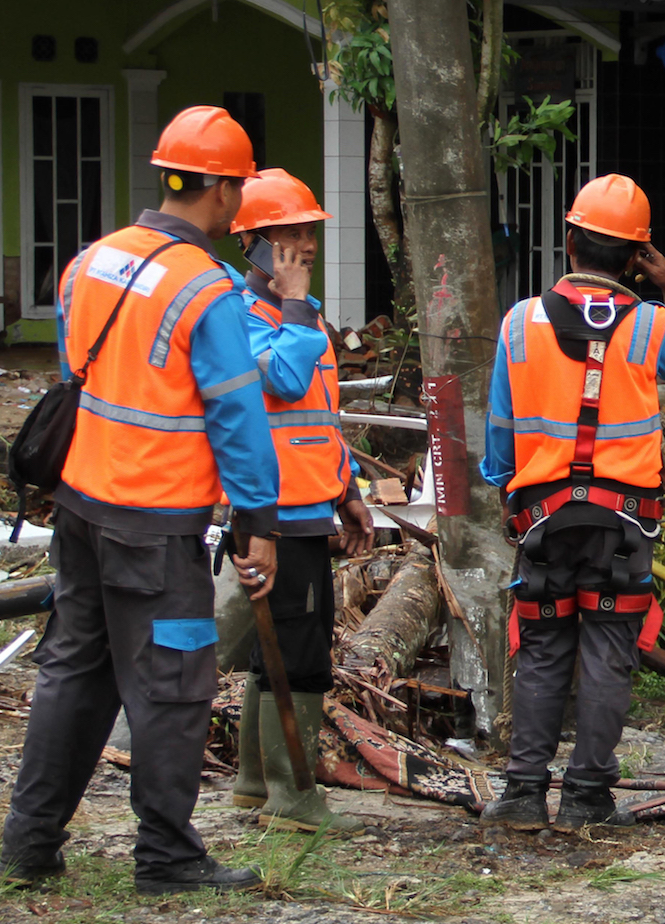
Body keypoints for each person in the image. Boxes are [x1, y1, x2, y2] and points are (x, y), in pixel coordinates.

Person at [0, 106, 281, 894]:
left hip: (82, 506)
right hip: (155, 524)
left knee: (74, 671)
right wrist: (258, 521)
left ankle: (29, 842)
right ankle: (166, 856)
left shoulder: (92, 260)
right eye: (239, 188)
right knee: (173, 686)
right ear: (222, 191)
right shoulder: (206, 289)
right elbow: (236, 413)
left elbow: (75, 373)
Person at [478, 174, 665, 831]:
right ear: (636, 256)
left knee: (543, 646)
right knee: (609, 647)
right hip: (623, 524)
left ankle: (523, 793)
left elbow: (499, 436)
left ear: (569, 239)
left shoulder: (520, 323)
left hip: (543, 518)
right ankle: (586, 799)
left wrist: (511, 488)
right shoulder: (650, 325)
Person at [224, 168, 375, 835]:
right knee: (299, 656)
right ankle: (292, 796)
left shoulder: (299, 315)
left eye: (309, 230)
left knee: (280, 647)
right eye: (288, 234)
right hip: (273, 515)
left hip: (308, 506)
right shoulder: (243, 317)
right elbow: (283, 381)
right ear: (252, 242)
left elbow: (318, 418)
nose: (306, 245)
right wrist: (293, 304)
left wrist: (348, 491)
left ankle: (256, 784)